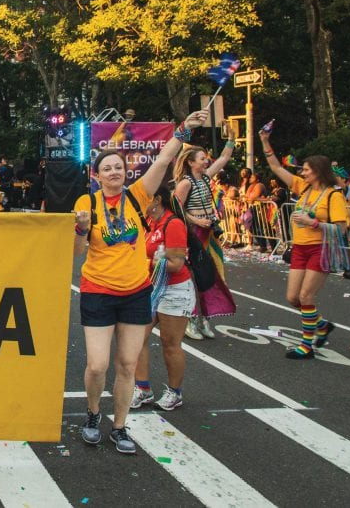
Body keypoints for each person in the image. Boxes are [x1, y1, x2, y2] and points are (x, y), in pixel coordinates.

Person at [73, 110, 209, 454]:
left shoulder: (138, 195)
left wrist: (183, 129)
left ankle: (119, 426)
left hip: (136, 293)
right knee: (97, 364)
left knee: (127, 364)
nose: (114, 172)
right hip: (97, 292)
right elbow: (78, 250)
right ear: (96, 175)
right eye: (107, 168)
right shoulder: (86, 203)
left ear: (125, 171)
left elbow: (163, 159)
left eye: (119, 166)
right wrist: (80, 227)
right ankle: (92, 415)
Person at [259, 130, 348, 359]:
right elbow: (277, 168)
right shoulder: (303, 187)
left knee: (307, 297)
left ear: (318, 172)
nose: (302, 172)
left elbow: (341, 229)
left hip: (320, 249)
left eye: (307, 170)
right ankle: (322, 325)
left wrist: (313, 223)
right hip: (299, 248)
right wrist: (265, 141)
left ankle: (307, 345)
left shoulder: (333, 196)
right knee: (293, 298)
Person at [131, 184, 194, 411]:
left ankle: (175, 392)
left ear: (157, 200)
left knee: (170, 343)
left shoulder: (173, 223)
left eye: (143, 199)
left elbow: (176, 264)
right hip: (150, 288)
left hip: (175, 289)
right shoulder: (148, 223)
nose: (138, 204)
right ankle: (143, 388)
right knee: (136, 338)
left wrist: (148, 262)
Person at [172, 134, 238, 341]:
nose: (206, 160)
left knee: (211, 276)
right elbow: (176, 209)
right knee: (192, 277)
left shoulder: (206, 177)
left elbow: (224, 158)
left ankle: (205, 319)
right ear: (191, 162)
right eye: (201, 158)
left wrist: (231, 138)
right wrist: (196, 221)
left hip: (208, 234)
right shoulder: (185, 183)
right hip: (193, 235)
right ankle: (190, 320)